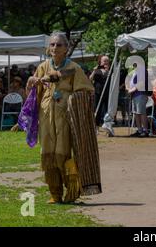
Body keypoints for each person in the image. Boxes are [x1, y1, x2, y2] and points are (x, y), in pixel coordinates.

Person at [26, 32, 95, 204]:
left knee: (62, 153)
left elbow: (87, 91)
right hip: (47, 115)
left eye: (59, 45)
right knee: (47, 154)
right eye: (52, 45)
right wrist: (32, 82)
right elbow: (34, 94)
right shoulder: (43, 66)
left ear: (66, 49)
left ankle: (72, 191)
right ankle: (54, 193)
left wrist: (69, 99)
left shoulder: (74, 68)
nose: (55, 48)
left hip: (65, 115)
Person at [127, 63, 149, 137]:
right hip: (135, 95)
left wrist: (132, 90)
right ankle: (139, 130)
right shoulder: (135, 72)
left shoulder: (143, 71)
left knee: (141, 112)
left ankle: (145, 131)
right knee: (136, 113)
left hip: (141, 94)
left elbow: (141, 83)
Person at [89, 55, 111, 126]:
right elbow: (90, 79)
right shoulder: (97, 70)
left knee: (108, 110)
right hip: (98, 93)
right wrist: (94, 71)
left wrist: (108, 71)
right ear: (101, 61)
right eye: (104, 61)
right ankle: (96, 125)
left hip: (108, 93)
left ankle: (107, 125)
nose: (106, 62)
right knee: (97, 109)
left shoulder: (111, 70)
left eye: (107, 61)